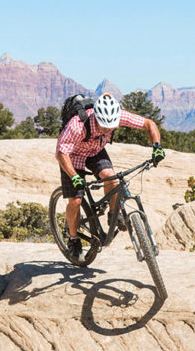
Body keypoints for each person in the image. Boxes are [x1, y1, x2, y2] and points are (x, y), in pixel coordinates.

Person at [55, 93, 165, 259]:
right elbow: (61, 153)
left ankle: (114, 213)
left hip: (95, 151)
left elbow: (149, 124)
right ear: (97, 116)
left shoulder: (117, 116)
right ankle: (73, 238)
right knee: (76, 200)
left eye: (110, 126)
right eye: (103, 125)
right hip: (73, 156)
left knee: (112, 177)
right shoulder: (77, 126)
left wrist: (157, 146)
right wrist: (74, 177)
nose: (107, 129)